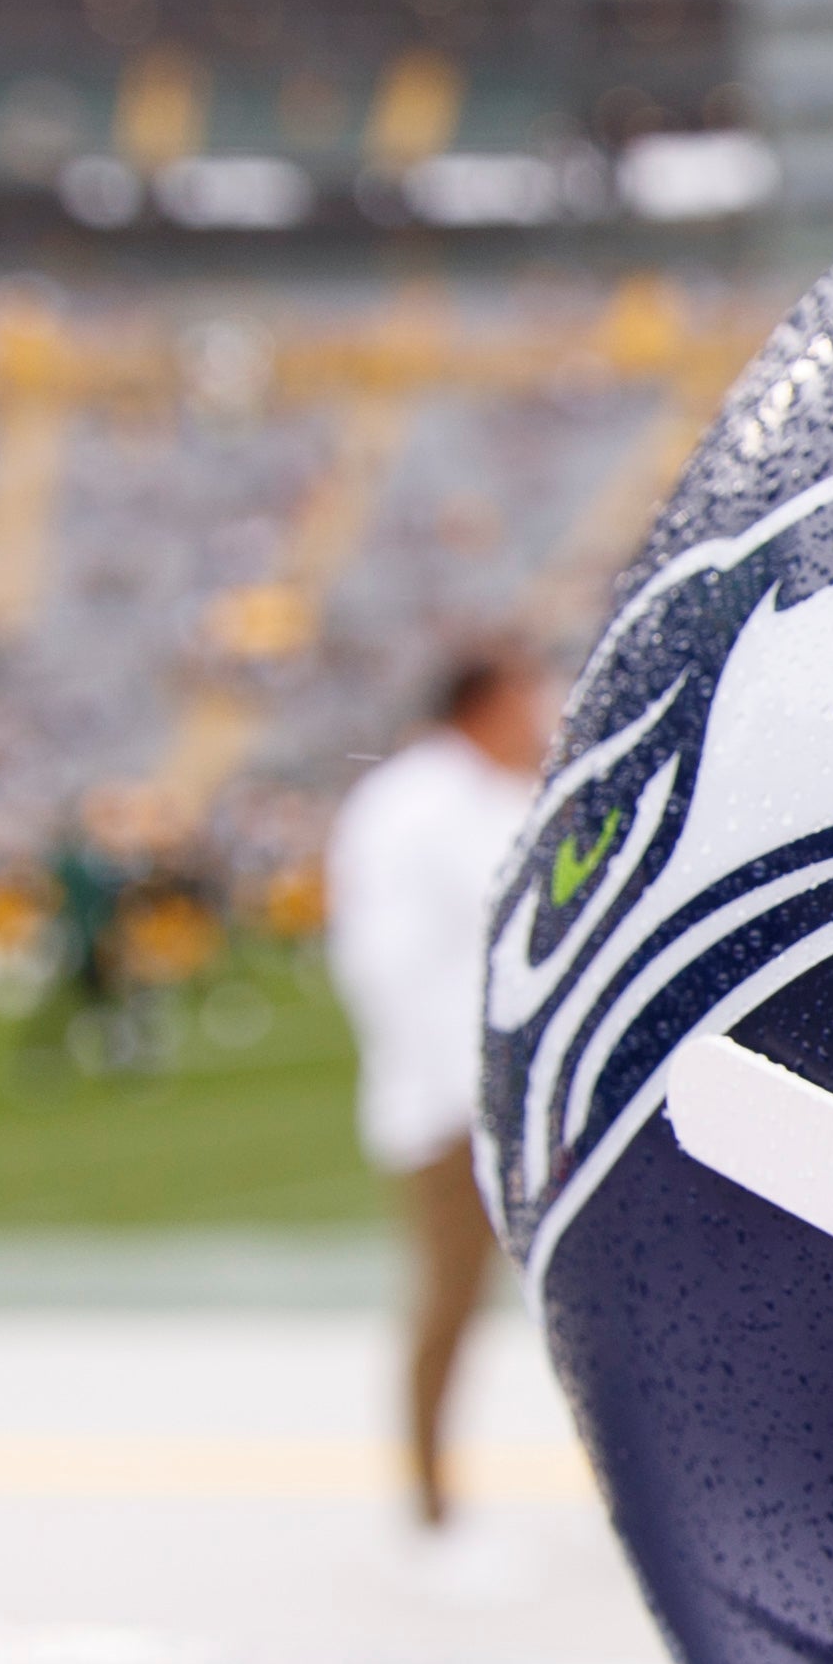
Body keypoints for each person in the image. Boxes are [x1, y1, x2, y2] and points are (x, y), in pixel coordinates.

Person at [325, 648, 546, 1528]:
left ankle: (436, 1499)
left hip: (479, 1093)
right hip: (458, 1100)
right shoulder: (425, 804)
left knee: (516, 1295)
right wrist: (457, 1094)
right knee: (454, 1300)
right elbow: (392, 963)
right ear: (486, 704)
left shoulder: (443, 797)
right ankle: (427, 1504)